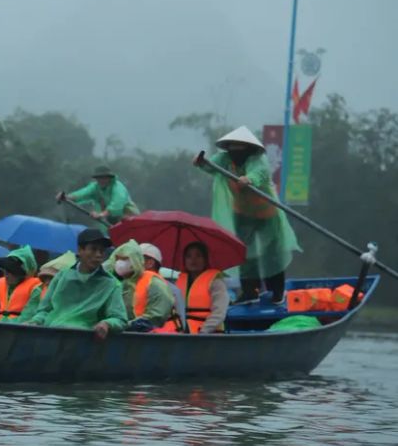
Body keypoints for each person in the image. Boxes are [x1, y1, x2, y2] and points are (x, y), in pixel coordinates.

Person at [195, 126, 300, 301]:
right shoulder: (225, 159)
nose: (236, 151)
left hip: (267, 215)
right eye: (233, 147)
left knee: (270, 254)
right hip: (242, 215)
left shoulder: (257, 159)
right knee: (245, 253)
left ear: (249, 148)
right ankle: (250, 292)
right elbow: (210, 166)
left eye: (240, 147)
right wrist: (201, 162)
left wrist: (249, 179)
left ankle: (277, 293)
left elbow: (259, 172)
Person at [27, 228, 127, 337]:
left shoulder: (111, 284)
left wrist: (107, 323)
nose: (98, 255)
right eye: (93, 249)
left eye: (102, 251)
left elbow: (119, 318)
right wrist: (34, 322)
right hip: (51, 336)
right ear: (80, 250)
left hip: (83, 340)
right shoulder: (61, 276)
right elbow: (44, 310)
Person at [106, 240, 174, 332]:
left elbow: (155, 318)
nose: (119, 262)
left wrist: (125, 325)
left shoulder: (156, 284)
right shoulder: (123, 281)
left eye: (126, 259)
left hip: (143, 338)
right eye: (118, 259)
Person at [166, 241, 229, 334]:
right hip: (182, 333)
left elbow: (219, 312)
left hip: (209, 335)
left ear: (205, 259)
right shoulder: (179, 281)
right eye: (188, 256)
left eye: (198, 255)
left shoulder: (216, 282)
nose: (193, 260)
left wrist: (203, 332)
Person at [56, 165, 139, 228]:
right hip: (112, 222)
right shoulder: (95, 187)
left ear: (109, 178)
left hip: (130, 218)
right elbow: (82, 194)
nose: (102, 180)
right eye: (99, 178)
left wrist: (101, 215)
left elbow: (117, 204)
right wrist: (66, 197)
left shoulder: (118, 187)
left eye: (104, 177)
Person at [0, 245, 43, 322]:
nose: (6, 274)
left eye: (12, 271)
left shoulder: (36, 290)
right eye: (5, 269)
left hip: (18, 331)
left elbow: (27, 317)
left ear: (24, 274)